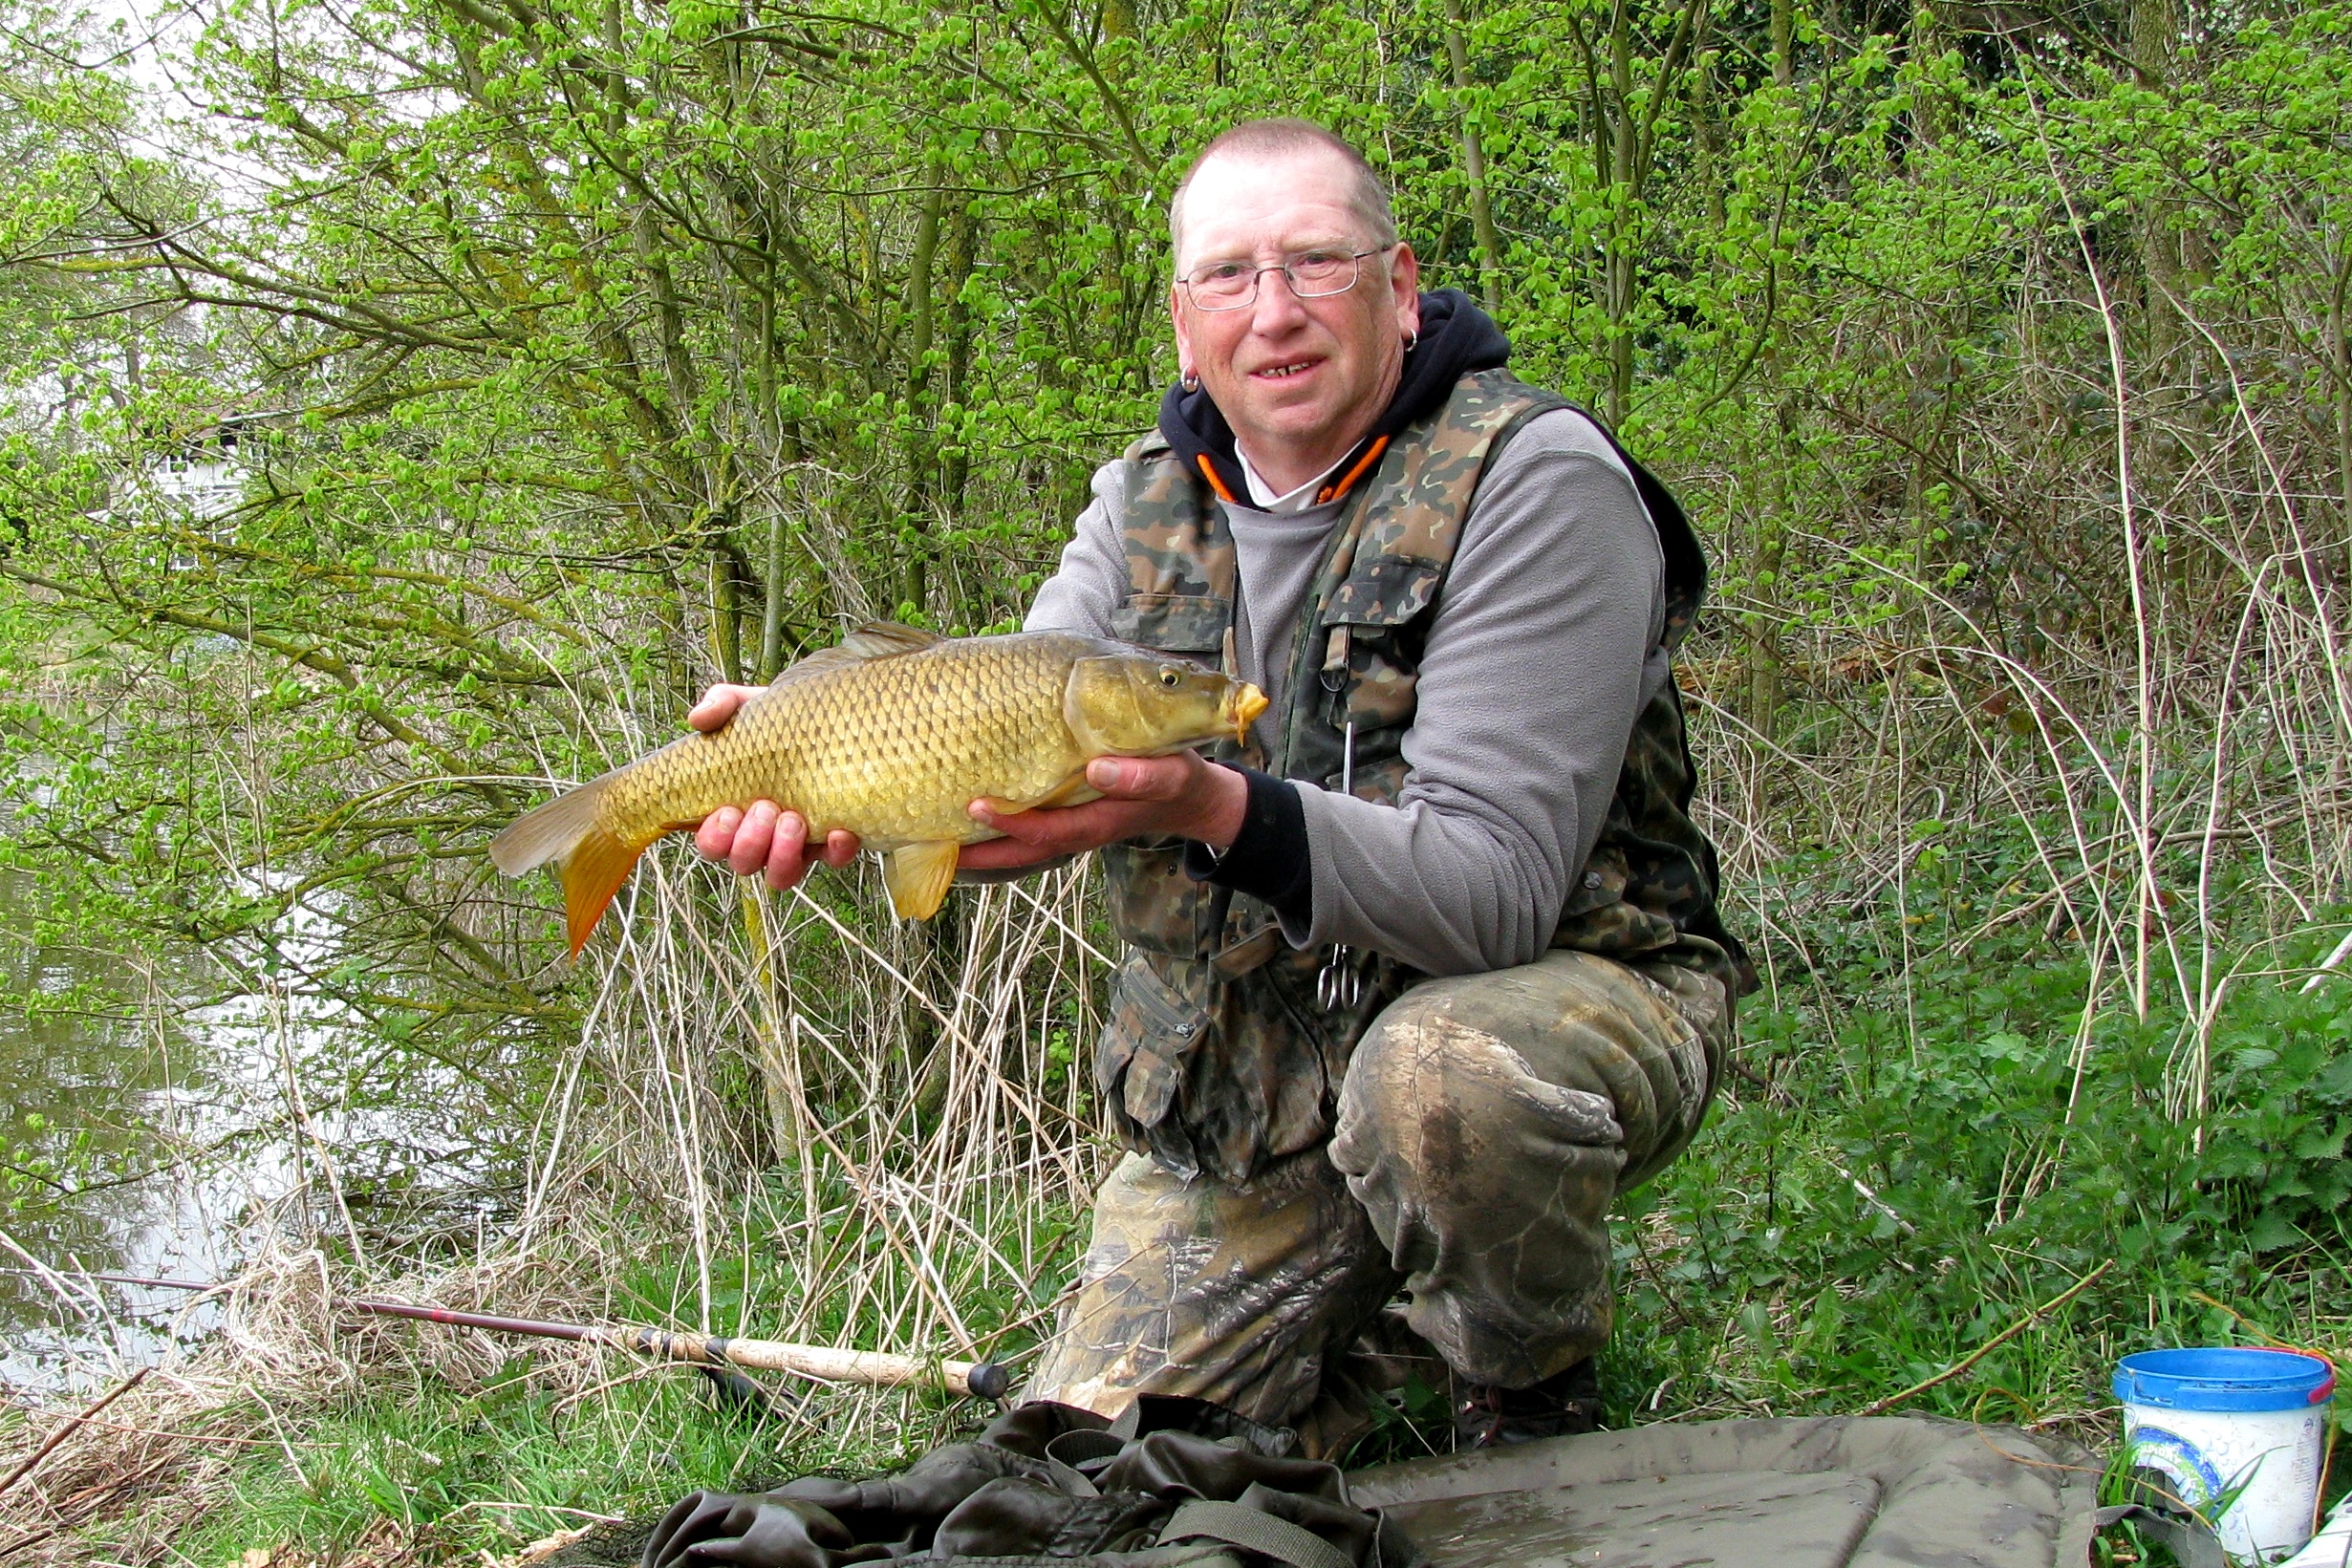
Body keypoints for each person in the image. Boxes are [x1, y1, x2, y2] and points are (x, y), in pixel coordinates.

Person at [687, 118, 1753, 1456]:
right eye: (1231, 276)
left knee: (1437, 1086)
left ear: (1401, 285)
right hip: (1253, 1094)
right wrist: (814, 760)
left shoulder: (1534, 482)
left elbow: (1493, 895)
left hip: (1551, 1009)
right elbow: (1011, 768)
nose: (1277, 311)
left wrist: (1204, 805)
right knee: (1080, 1472)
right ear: (1185, 324)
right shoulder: (1133, 505)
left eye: (1317, 261)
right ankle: (1350, 1330)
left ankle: (1521, 1376)